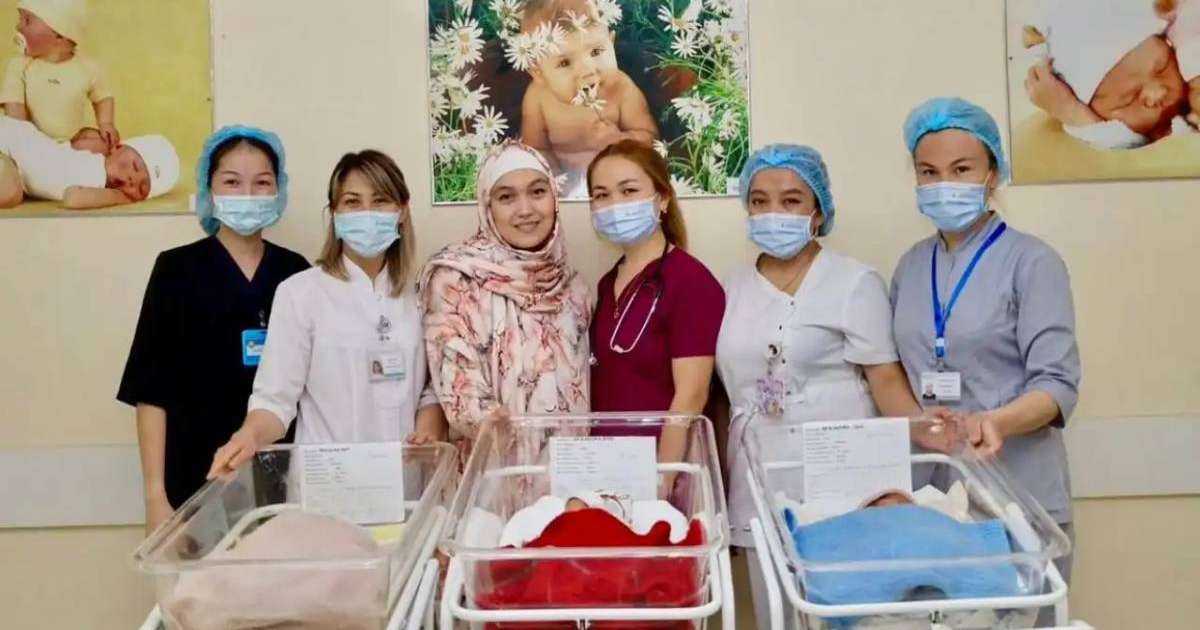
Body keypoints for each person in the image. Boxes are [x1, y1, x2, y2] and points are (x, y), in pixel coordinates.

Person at [716, 144, 999, 628]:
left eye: (790, 201)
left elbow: (886, 382)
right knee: (775, 614)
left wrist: (933, 431)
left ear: (818, 209)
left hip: (843, 479)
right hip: (758, 476)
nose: (772, 213)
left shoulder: (852, 282)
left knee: (847, 614)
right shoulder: (731, 289)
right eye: (759, 201)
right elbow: (724, 392)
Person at [891, 98, 1081, 623]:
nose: (942, 183)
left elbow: (1058, 385)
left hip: (1020, 495)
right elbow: (895, 377)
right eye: (928, 172)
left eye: (961, 169)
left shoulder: (1032, 262)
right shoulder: (910, 267)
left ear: (992, 171)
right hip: (932, 498)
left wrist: (994, 420)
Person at [208, 150, 447, 478]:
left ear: (402, 211)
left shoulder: (421, 295)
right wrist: (248, 435)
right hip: (328, 485)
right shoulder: (301, 294)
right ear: (334, 214)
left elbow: (430, 389)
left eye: (380, 201)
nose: (366, 213)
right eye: (352, 202)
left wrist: (429, 431)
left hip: (404, 483)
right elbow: (275, 400)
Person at [117, 125, 309, 533]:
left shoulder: (296, 274)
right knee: (199, 594)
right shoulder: (175, 271)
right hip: (193, 483)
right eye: (232, 182)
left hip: (282, 481)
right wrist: (155, 495)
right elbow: (151, 391)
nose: (248, 195)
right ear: (209, 189)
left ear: (279, 191)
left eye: (262, 183)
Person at [420, 140, 592, 460]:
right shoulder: (455, 279)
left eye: (538, 192)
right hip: (493, 473)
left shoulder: (574, 288)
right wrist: (488, 420)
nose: (525, 210)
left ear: (555, 200)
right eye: (506, 197)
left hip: (570, 474)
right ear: (487, 207)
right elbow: (459, 385)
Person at [586, 138, 724, 461]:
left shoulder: (690, 282)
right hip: (606, 466)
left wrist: (662, 481)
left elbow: (691, 397)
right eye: (601, 195)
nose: (614, 205)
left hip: (663, 469)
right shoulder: (608, 284)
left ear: (662, 199)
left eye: (629, 191)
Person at [516, 0, 657, 196]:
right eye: (564, 62)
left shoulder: (621, 88)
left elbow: (650, 138)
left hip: (619, 185)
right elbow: (534, 149)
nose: (587, 71)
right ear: (538, 72)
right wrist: (554, 180)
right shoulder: (538, 97)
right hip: (565, 187)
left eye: (596, 52)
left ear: (612, 43)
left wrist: (620, 139)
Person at [1, 0, 119, 147]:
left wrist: (106, 123)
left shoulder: (87, 68)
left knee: (99, 143)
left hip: (71, 142)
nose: (18, 26)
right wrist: (23, 142)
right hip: (29, 141)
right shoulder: (19, 66)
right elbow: (14, 109)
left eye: (27, 21)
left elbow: (103, 96)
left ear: (59, 35)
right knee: (6, 139)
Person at [0, 116, 178, 208]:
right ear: (118, 147)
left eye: (141, 188)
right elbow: (72, 198)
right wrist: (122, 198)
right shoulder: (98, 174)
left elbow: (74, 144)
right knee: (11, 194)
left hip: (12, 152)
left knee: (11, 189)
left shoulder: (93, 171)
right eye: (134, 166)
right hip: (10, 145)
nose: (132, 178)